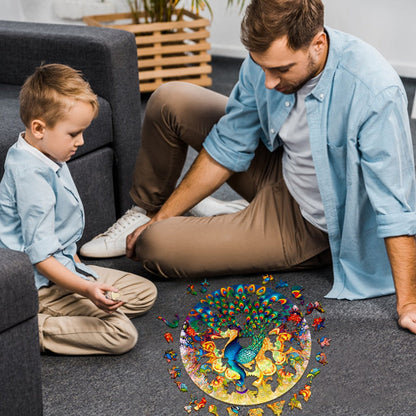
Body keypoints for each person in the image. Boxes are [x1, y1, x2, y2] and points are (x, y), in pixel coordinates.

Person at [80, 0, 416, 334]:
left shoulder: (374, 91)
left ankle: (218, 220)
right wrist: (159, 217)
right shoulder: (268, 61)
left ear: (318, 44)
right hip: (280, 166)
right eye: (262, 66)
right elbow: (230, 142)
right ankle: (146, 211)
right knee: (170, 100)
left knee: (153, 246)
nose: (269, 81)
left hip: (312, 224)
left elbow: (394, 205)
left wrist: (409, 304)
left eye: (281, 70)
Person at [0, 64, 157, 355]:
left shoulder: (48, 153)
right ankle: (31, 328)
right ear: (38, 128)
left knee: (145, 293)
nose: (81, 142)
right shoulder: (30, 176)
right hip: (41, 284)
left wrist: (81, 274)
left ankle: (78, 313)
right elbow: (42, 259)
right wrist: (85, 289)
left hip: (63, 268)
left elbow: (60, 237)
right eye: (74, 133)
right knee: (121, 334)